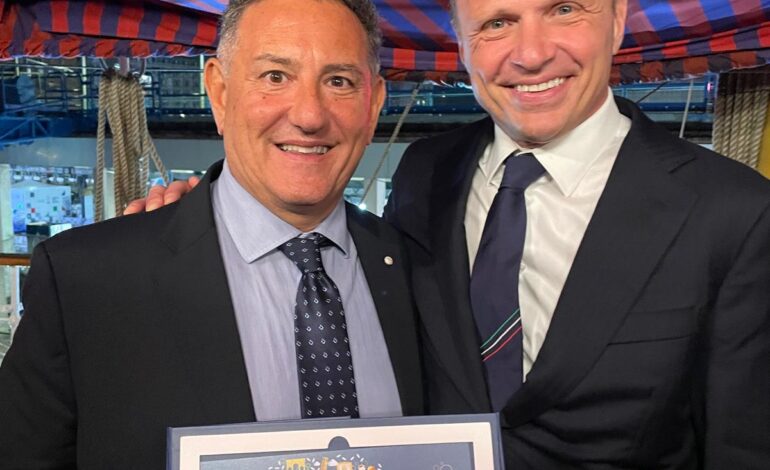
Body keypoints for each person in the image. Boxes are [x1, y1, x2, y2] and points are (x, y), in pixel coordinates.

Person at [127, 0, 770, 467]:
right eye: (497, 23)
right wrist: (199, 217)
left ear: (619, 17)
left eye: (564, 9)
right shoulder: (428, 173)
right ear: (461, 42)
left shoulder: (732, 211)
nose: (531, 53)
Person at [0, 1, 423, 468]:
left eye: (339, 81)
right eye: (275, 76)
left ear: (374, 104)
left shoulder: (423, 271)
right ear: (219, 92)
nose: (309, 115)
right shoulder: (86, 281)